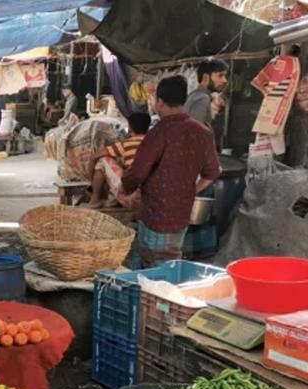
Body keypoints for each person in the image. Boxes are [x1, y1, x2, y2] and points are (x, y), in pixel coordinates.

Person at [121, 76, 221, 269]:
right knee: (172, 261)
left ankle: (153, 297)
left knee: (153, 265)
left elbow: (137, 174)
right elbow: (212, 172)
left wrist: (124, 185)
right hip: (182, 212)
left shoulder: (159, 132)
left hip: (155, 213)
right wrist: (192, 189)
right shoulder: (203, 132)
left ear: (159, 102)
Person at [88, 111, 151, 209]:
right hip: (152, 196)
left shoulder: (126, 144)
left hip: (133, 197)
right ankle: (112, 200)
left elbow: (95, 156)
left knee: (103, 161)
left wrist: (90, 177)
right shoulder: (155, 143)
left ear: (130, 128)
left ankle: (95, 199)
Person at [186, 59, 229, 128]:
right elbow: (195, 132)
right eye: (220, 75)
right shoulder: (202, 98)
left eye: (225, 76)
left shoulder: (195, 95)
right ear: (205, 77)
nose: (224, 80)